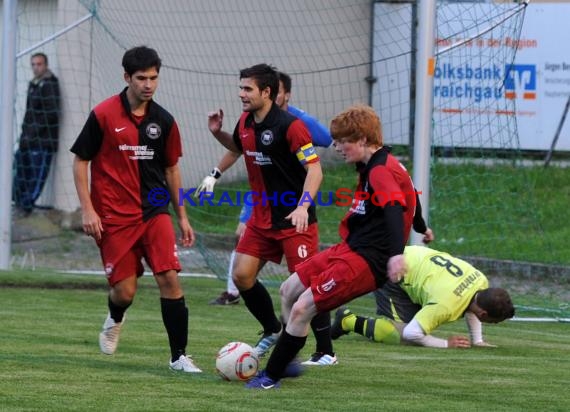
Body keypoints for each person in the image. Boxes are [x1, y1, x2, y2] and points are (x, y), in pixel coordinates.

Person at [246, 104, 419, 389]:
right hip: (350, 248)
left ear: (363, 140)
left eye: (342, 142)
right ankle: (287, 360)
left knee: (303, 308)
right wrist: (422, 225)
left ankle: (270, 376)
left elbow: (393, 205)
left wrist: (397, 254)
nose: (337, 147)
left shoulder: (379, 171)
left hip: (367, 260)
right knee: (288, 290)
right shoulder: (380, 162)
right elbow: (411, 195)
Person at [70, 46, 201, 373]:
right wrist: (88, 209)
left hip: (154, 211)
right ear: (127, 77)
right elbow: (80, 161)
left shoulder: (165, 121)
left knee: (169, 278)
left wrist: (182, 216)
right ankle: (115, 316)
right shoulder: (103, 115)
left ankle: (179, 357)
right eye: (142, 78)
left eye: (154, 78)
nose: (149, 85)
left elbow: (171, 169)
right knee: (124, 291)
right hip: (113, 216)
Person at [208, 64, 334, 365]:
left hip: (293, 219)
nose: (241, 94)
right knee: (241, 275)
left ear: (266, 92)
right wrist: (218, 134)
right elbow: (237, 146)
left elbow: (314, 169)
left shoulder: (291, 127)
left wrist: (303, 205)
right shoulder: (245, 122)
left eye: (247, 89)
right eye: (241, 88)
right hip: (262, 220)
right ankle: (272, 329)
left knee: (306, 285)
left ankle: (326, 350)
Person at [331, 245, 515, 348]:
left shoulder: (481, 282)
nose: (492, 323)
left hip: (411, 257)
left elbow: (472, 306)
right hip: (392, 271)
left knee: (419, 329)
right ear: (484, 315)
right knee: (404, 335)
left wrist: (478, 340)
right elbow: (413, 334)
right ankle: (347, 320)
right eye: (493, 321)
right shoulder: (446, 305)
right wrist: (446, 344)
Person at [13, 52, 60, 217]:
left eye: (39, 64)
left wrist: (32, 134)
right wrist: (24, 135)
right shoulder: (34, 84)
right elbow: (29, 113)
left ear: (46, 65)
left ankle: (26, 207)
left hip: (42, 142)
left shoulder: (50, 85)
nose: (36, 67)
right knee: (21, 173)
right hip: (28, 140)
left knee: (35, 177)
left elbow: (51, 113)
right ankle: (18, 204)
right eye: (33, 64)